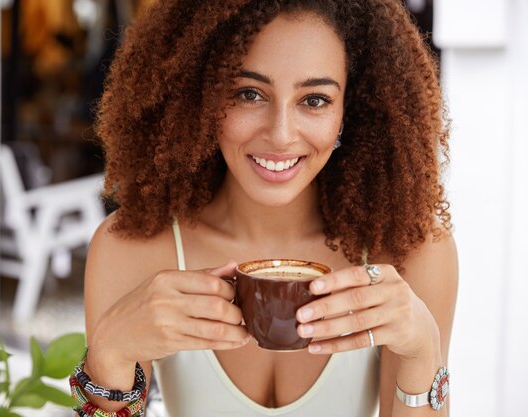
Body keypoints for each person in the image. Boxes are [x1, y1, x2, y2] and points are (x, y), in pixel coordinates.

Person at [75, 1, 458, 416]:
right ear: (199, 97)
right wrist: (110, 354)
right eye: (249, 94)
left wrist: (423, 351)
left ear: (355, 107)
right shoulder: (132, 249)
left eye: (314, 100)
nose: (280, 134)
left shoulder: (412, 252)